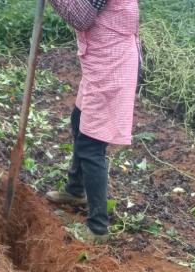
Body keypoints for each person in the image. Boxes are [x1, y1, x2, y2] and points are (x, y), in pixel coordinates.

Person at [46, 0, 140, 243]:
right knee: (79, 120)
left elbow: (83, 17)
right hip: (101, 57)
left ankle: (97, 228)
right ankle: (75, 190)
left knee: (91, 143)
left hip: (111, 63)